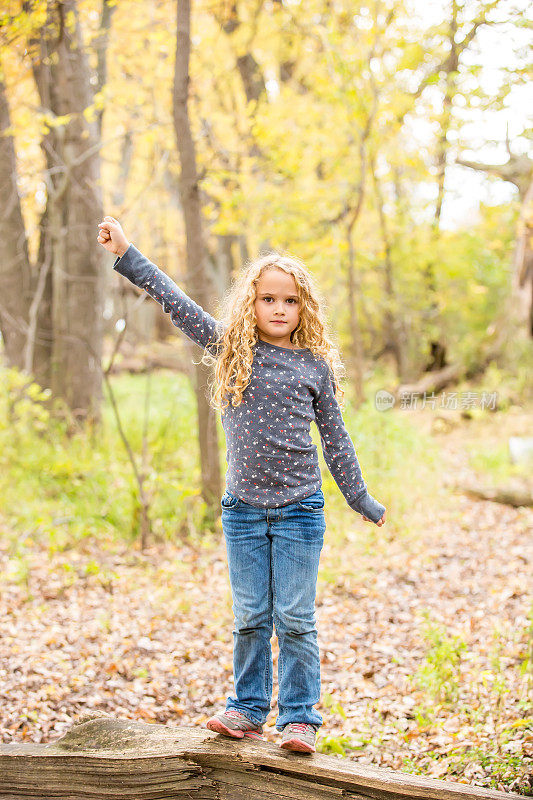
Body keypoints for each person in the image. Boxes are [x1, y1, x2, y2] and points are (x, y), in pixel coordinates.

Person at [97, 215, 386, 754]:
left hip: (300, 510)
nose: (279, 309)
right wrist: (129, 253)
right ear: (251, 304)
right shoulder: (231, 347)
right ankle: (248, 710)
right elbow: (176, 303)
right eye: (269, 299)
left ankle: (299, 717)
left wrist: (360, 497)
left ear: (305, 309)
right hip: (244, 513)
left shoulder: (315, 366)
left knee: (295, 617)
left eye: (291, 301)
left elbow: (337, 439)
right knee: (251, 615)